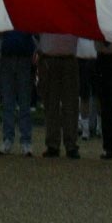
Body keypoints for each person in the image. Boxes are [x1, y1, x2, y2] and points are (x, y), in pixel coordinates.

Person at [36, 31, 80, 160]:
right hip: (50, 56)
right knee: (51, 104)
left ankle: (69, 143)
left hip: (67, 57)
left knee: (70, 104)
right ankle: (54, 143)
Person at [0, 28, 36, 155]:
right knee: (9, 101)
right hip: (8, 54)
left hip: (24, 55)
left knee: (24, 101)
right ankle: (9, 138)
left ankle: (25, 140)